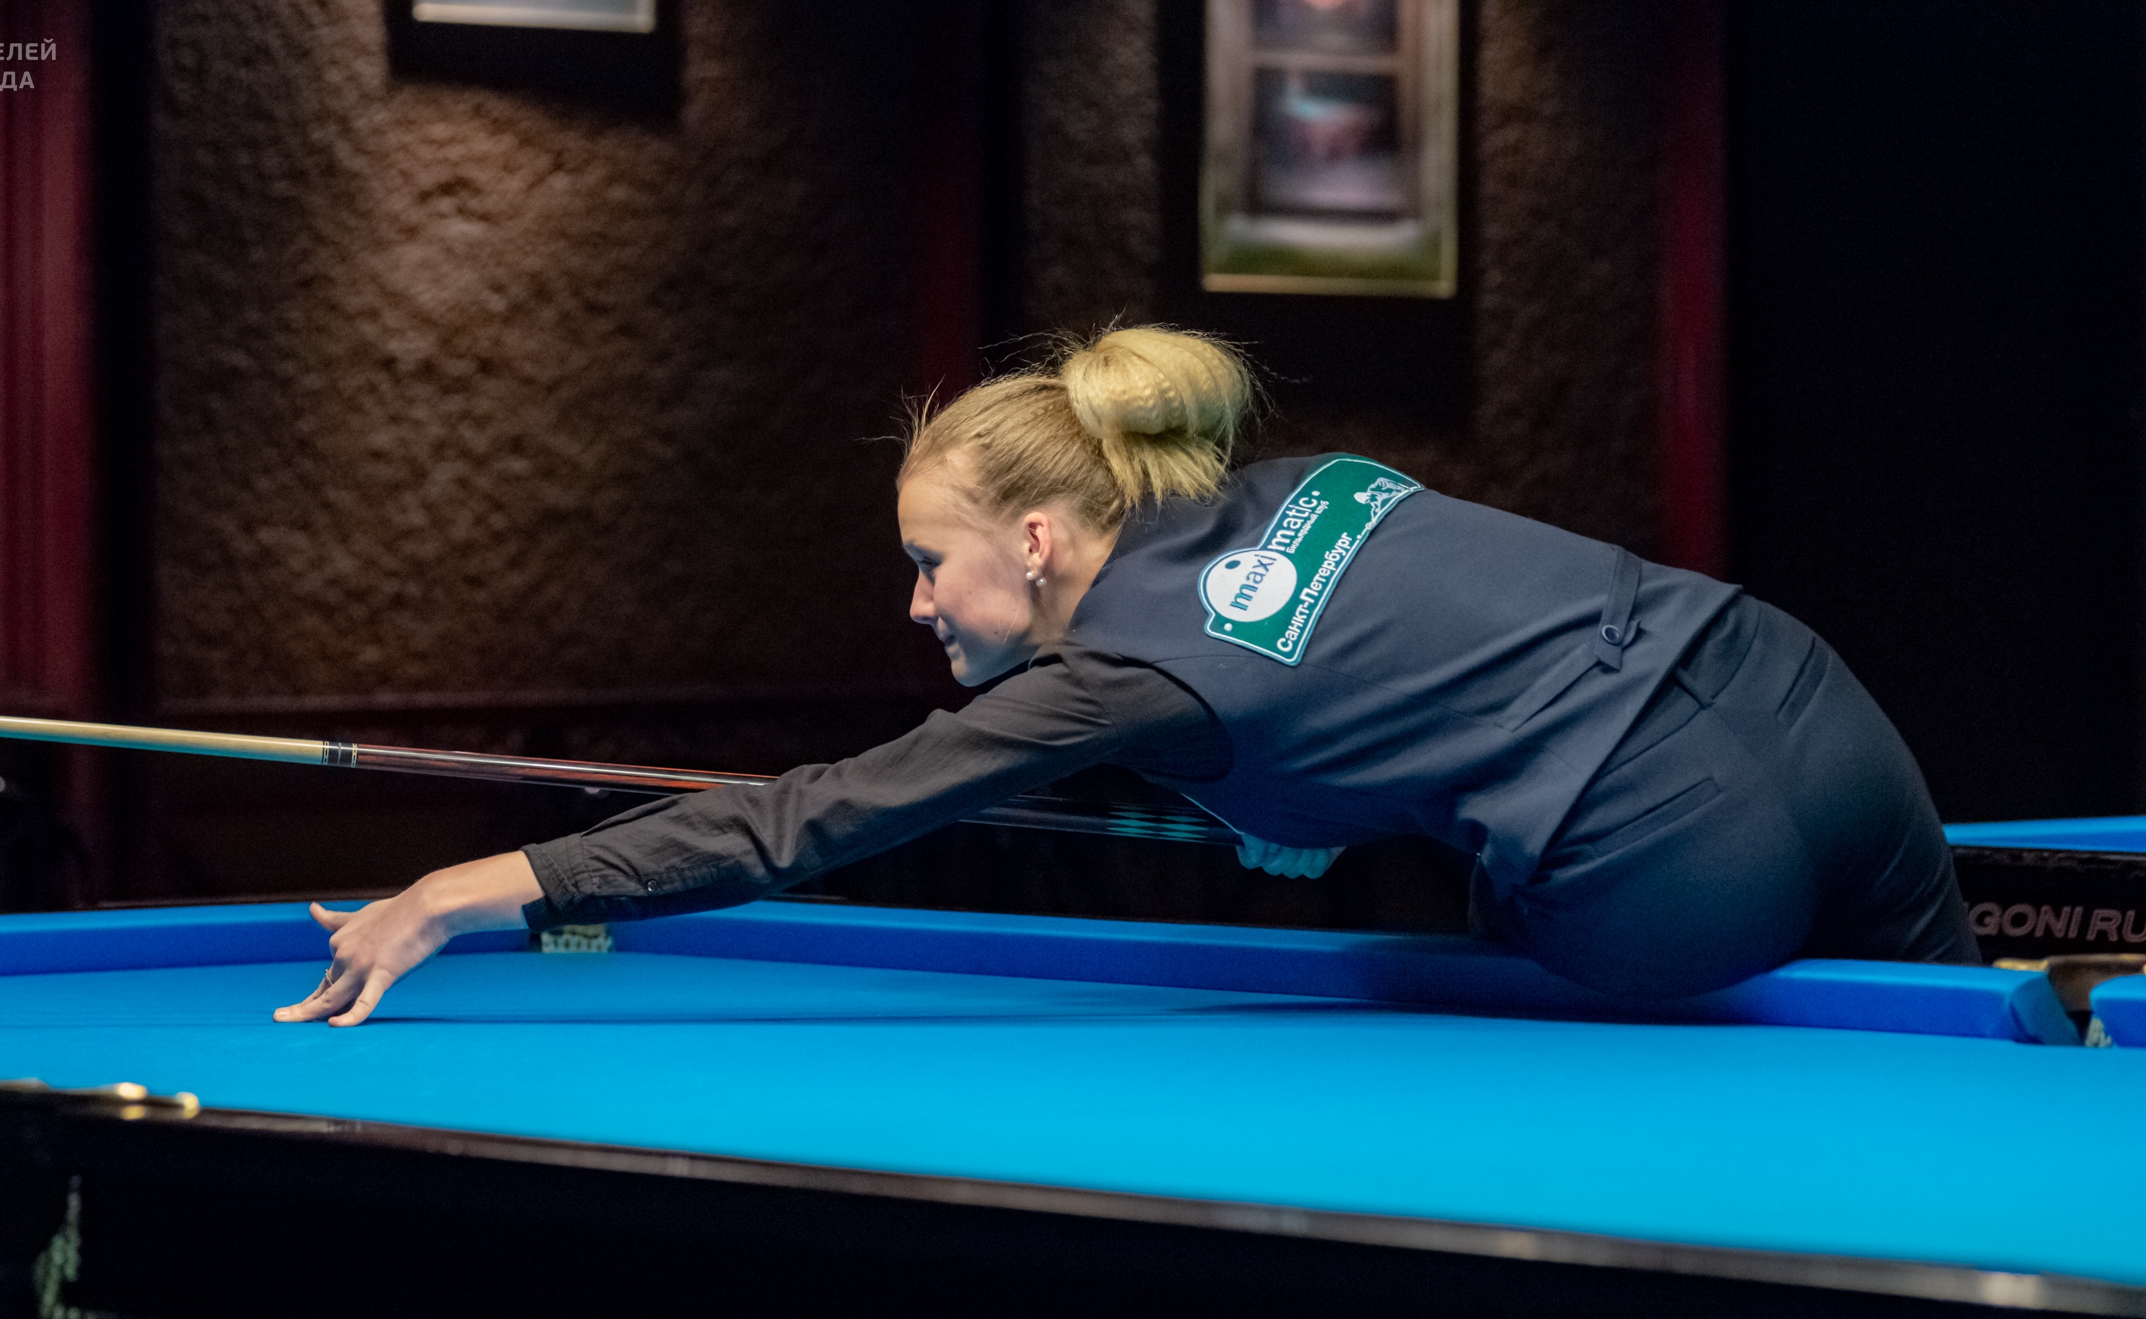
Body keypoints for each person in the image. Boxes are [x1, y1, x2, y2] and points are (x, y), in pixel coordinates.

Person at [275, 326, 1977, 1028]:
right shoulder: (1294, 486)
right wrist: (1297, 791)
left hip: (1659, 854)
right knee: (1972, 1060)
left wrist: (471, 888)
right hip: (1811, 702)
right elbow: (1413, 666)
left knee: (1494, 978)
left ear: (1034, 540)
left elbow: (820, 816)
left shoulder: (1120, 676)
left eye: (931, 561)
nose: (917, 604)